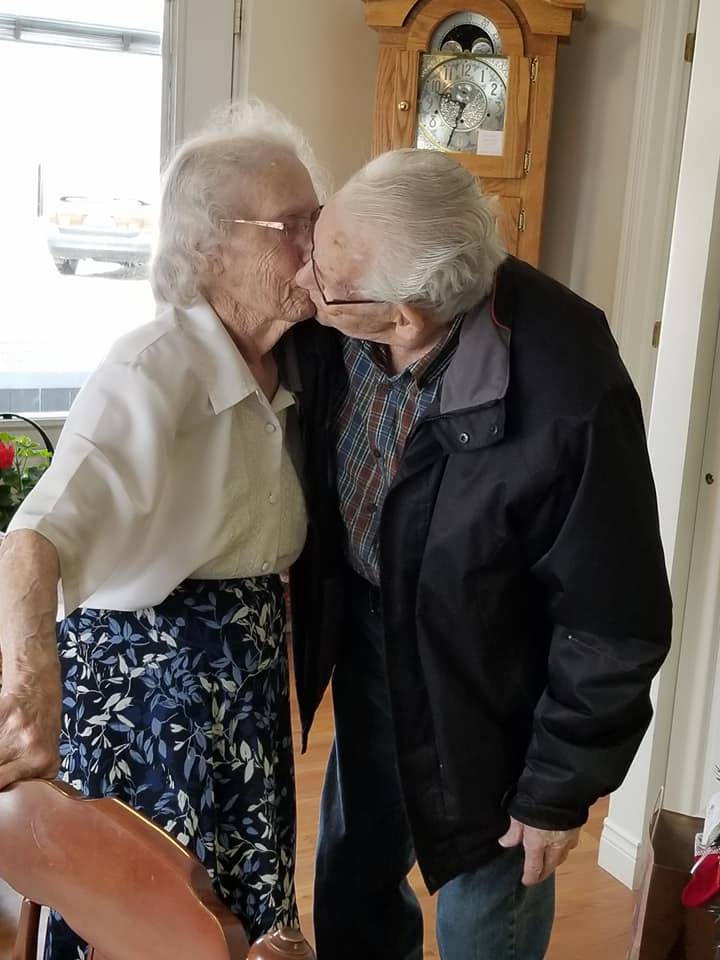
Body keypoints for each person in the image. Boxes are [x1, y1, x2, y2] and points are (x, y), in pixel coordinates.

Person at [285, 148, 673, 960]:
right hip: (370, 631)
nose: (304, 280)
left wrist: (555, 791)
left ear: (404, 318)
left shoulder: (573, 385)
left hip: (494, 690)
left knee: (483, 910)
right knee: (356, 865)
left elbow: (614, 617)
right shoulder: (335, 314)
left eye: (325, 275)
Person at [0, 100, 321, 955]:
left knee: (243, 914)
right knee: (153, 920)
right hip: (150, 691)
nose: (316, 246)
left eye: (317, 221)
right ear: (208, 248)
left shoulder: (300, 362)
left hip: (244, 678)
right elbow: (32, 537)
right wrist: (31, 687)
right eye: (294, 225)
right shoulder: (152, 368)